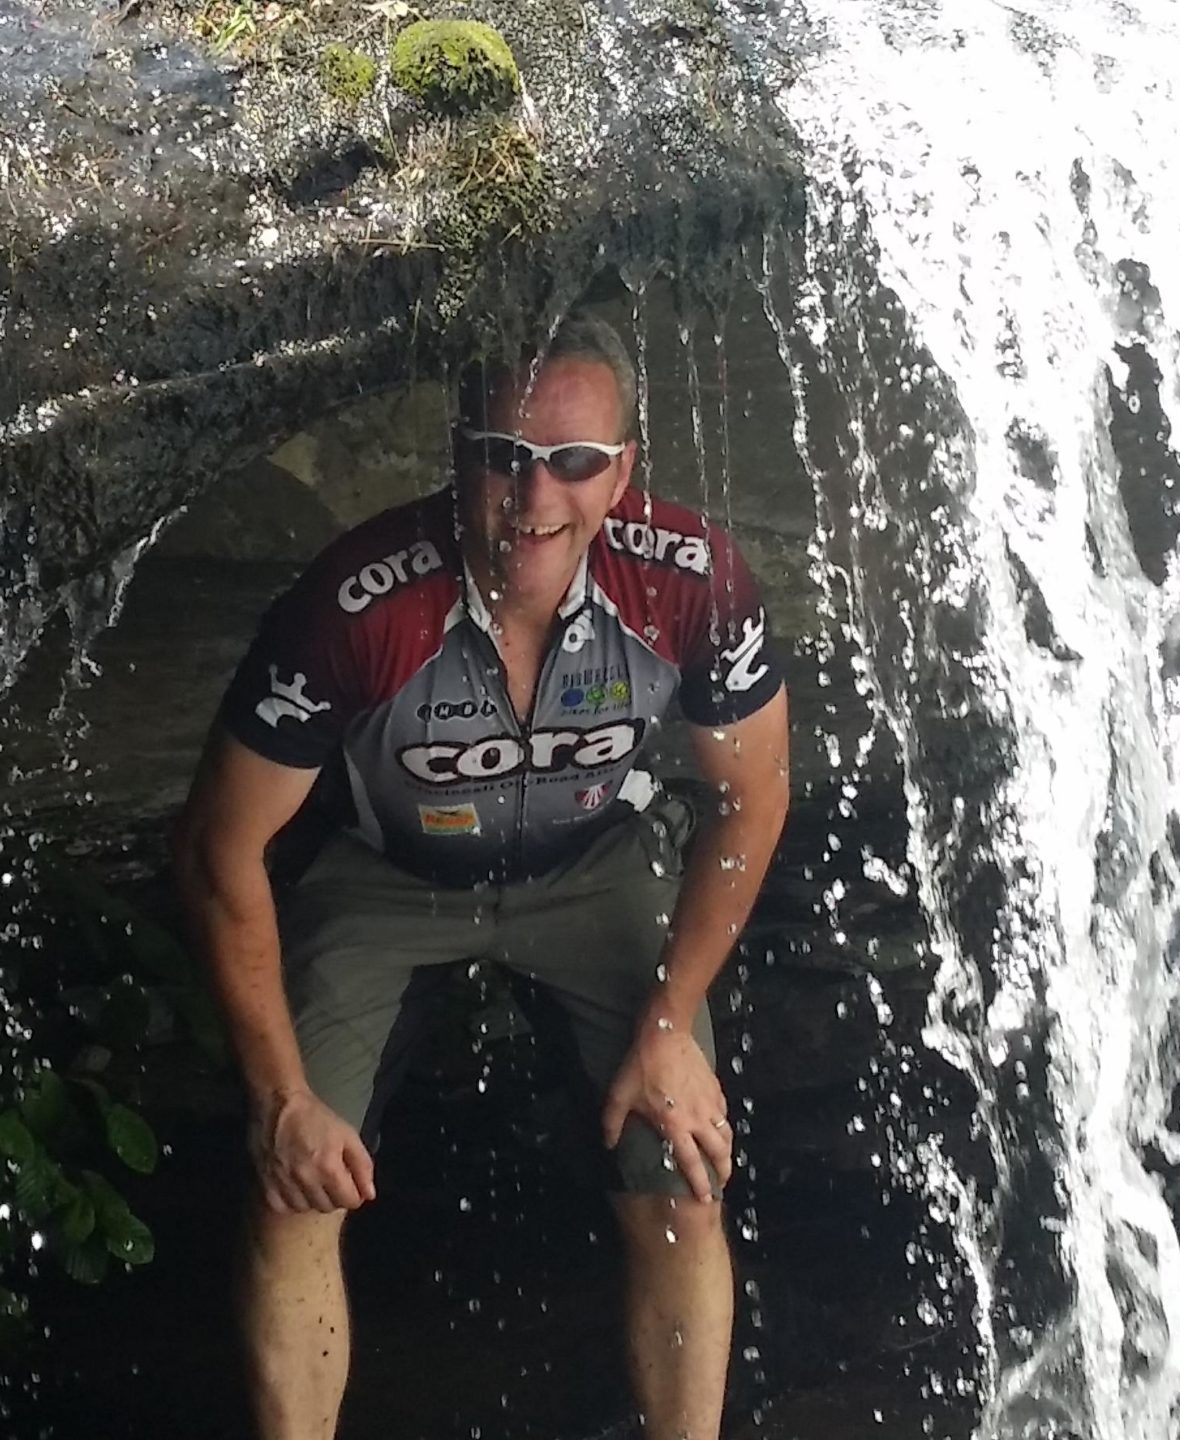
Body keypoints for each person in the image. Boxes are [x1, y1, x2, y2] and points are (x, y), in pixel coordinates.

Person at [172, 314, 791, 1440]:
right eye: (504, 458)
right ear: (457, 457)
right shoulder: (359, 602)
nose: (536, 498)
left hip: (593, 863)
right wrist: (278, 1099)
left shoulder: (692, 581)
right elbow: (219, 846)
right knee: (290, 1183)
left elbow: (750, 800)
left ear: (622, 473)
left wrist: (669, 1022)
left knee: (683, 1175)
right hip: (383, 873)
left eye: (573, 464)